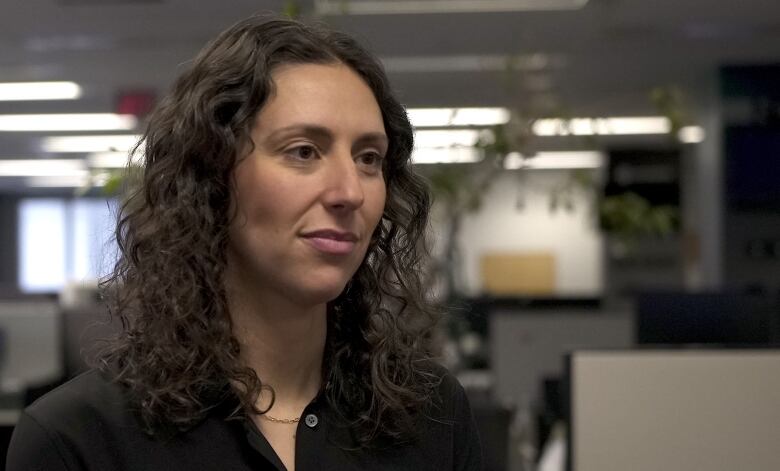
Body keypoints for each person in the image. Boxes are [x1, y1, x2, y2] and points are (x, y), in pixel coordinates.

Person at [7, 15, 482, 471]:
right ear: (212, 177)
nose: (349, 192)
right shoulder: (80, 440)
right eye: (303, 151)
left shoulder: (431, 415)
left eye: (368, 158)